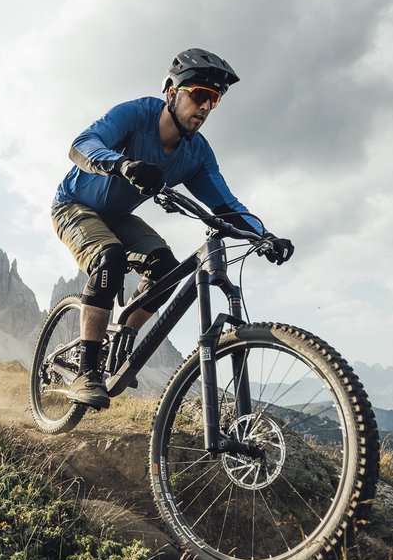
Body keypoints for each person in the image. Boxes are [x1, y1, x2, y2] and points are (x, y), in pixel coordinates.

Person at [51, 48, 294, 409]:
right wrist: (124, 165)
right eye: (200, 95)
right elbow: (81, 146)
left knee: (166, 269)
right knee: (109, 258)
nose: (206, 107)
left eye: (215, 100)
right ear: (171, 91)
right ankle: (87, 372)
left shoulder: (197, 154)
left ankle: (122, 342)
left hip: (118, 216)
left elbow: (227, 206)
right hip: (75, 205)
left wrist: (265, 235)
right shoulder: (136, 114)